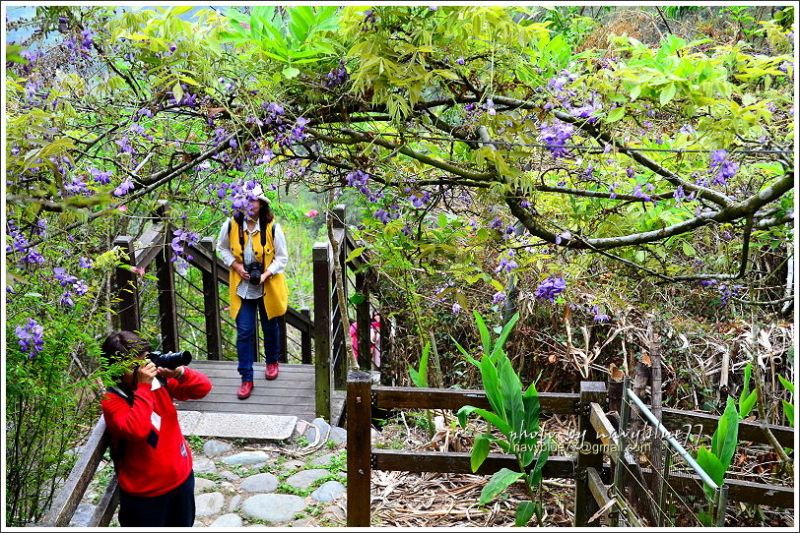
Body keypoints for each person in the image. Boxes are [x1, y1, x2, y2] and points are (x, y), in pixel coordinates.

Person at [99, 330, 212, 527]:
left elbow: (203, 388)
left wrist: (181, 373)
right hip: (146, 495)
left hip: (181, 480)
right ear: (116, 370)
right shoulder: (113, 400)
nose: (143, 369)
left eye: (143, 360)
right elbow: (137, 430)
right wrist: (143, 387)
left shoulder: (159, 381)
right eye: (133, 366)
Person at [217, 183, 289, 399]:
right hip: (242, 287)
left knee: (270, 326)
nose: (250, 205)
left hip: (267, 286)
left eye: (253, 200)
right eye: (246, 201)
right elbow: (221, 248)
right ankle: (246, 377)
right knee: (245, 331)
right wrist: (237, 267)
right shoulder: (231, 225)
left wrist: (266, 274)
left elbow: (282, 257)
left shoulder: (272, 227)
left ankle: (272, 361)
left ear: (261, 204)